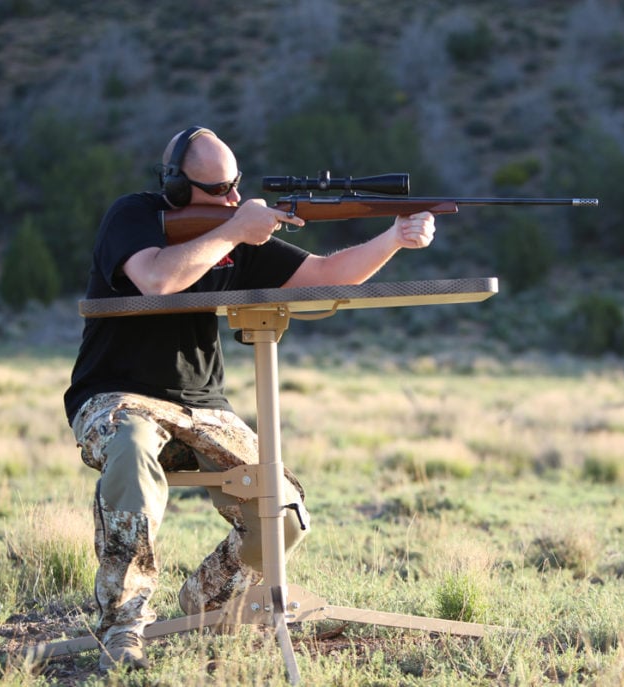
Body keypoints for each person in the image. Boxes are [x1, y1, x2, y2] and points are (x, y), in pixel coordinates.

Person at [63, 126, 435, 672]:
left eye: (235, 186)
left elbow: (327, 278)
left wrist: (395, 238)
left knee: (283, 510)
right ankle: (123, 626)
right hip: (116, 397)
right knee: (132, 444)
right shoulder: (135, 216)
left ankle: (203, 604)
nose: (233, 199)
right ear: (174, 188)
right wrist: (236, 230)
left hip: (204, 407)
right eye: (217, 190)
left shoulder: (237, 232)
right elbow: (157, 279)